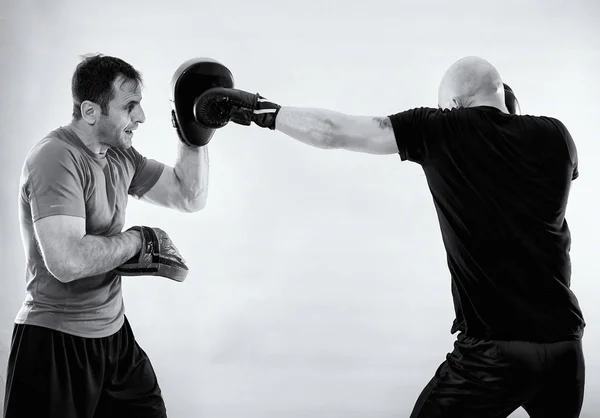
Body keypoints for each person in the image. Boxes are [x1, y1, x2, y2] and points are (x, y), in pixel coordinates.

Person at [193, 56, 586, 418]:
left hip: (494, 355)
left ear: (452, 104)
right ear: (506, 96)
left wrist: (260, 109)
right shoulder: (557, 136)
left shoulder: (440, 128)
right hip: (566, 350)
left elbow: (333, 132)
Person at [4, 54, 211, 418]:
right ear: (89, 111)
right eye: (130, 106)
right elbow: (66, 262)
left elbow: (188, 196)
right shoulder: (55, 157)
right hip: (55, 343)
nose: (141, 117)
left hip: (115, 339)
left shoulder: (120, 156)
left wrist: (194, 132)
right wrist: (136, 241)